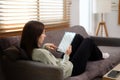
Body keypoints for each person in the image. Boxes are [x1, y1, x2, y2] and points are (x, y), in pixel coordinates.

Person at [20, 20, 109, 78]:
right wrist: (67, 55)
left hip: (63, 62)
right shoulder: (40, 53)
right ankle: (99, 55)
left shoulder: (31, 50)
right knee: (88, 41)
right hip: (72, 69)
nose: (45, 35)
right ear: (36, 36)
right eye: (43, 33)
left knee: (77, 37)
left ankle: (90, 54)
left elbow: (43, 59)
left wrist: (44, 47)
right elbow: (59, 71)